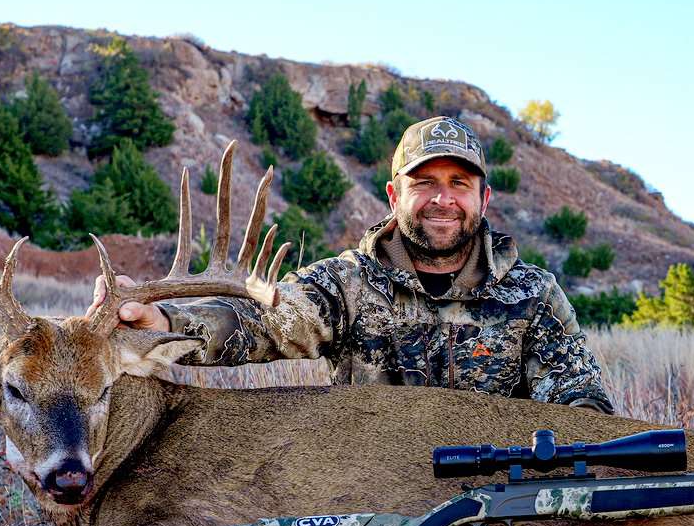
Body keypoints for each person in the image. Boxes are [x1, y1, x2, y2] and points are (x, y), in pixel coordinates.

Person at [90, 115, 613, 413]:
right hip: (369, 493)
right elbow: (264, 321)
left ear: (485, 197)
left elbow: (580, 402)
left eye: (459, 184)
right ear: (393, 194)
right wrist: (165, 321)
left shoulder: (532, 296)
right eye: (424, 182)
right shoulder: (347, 284)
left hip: (498, 493)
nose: (442, 199)